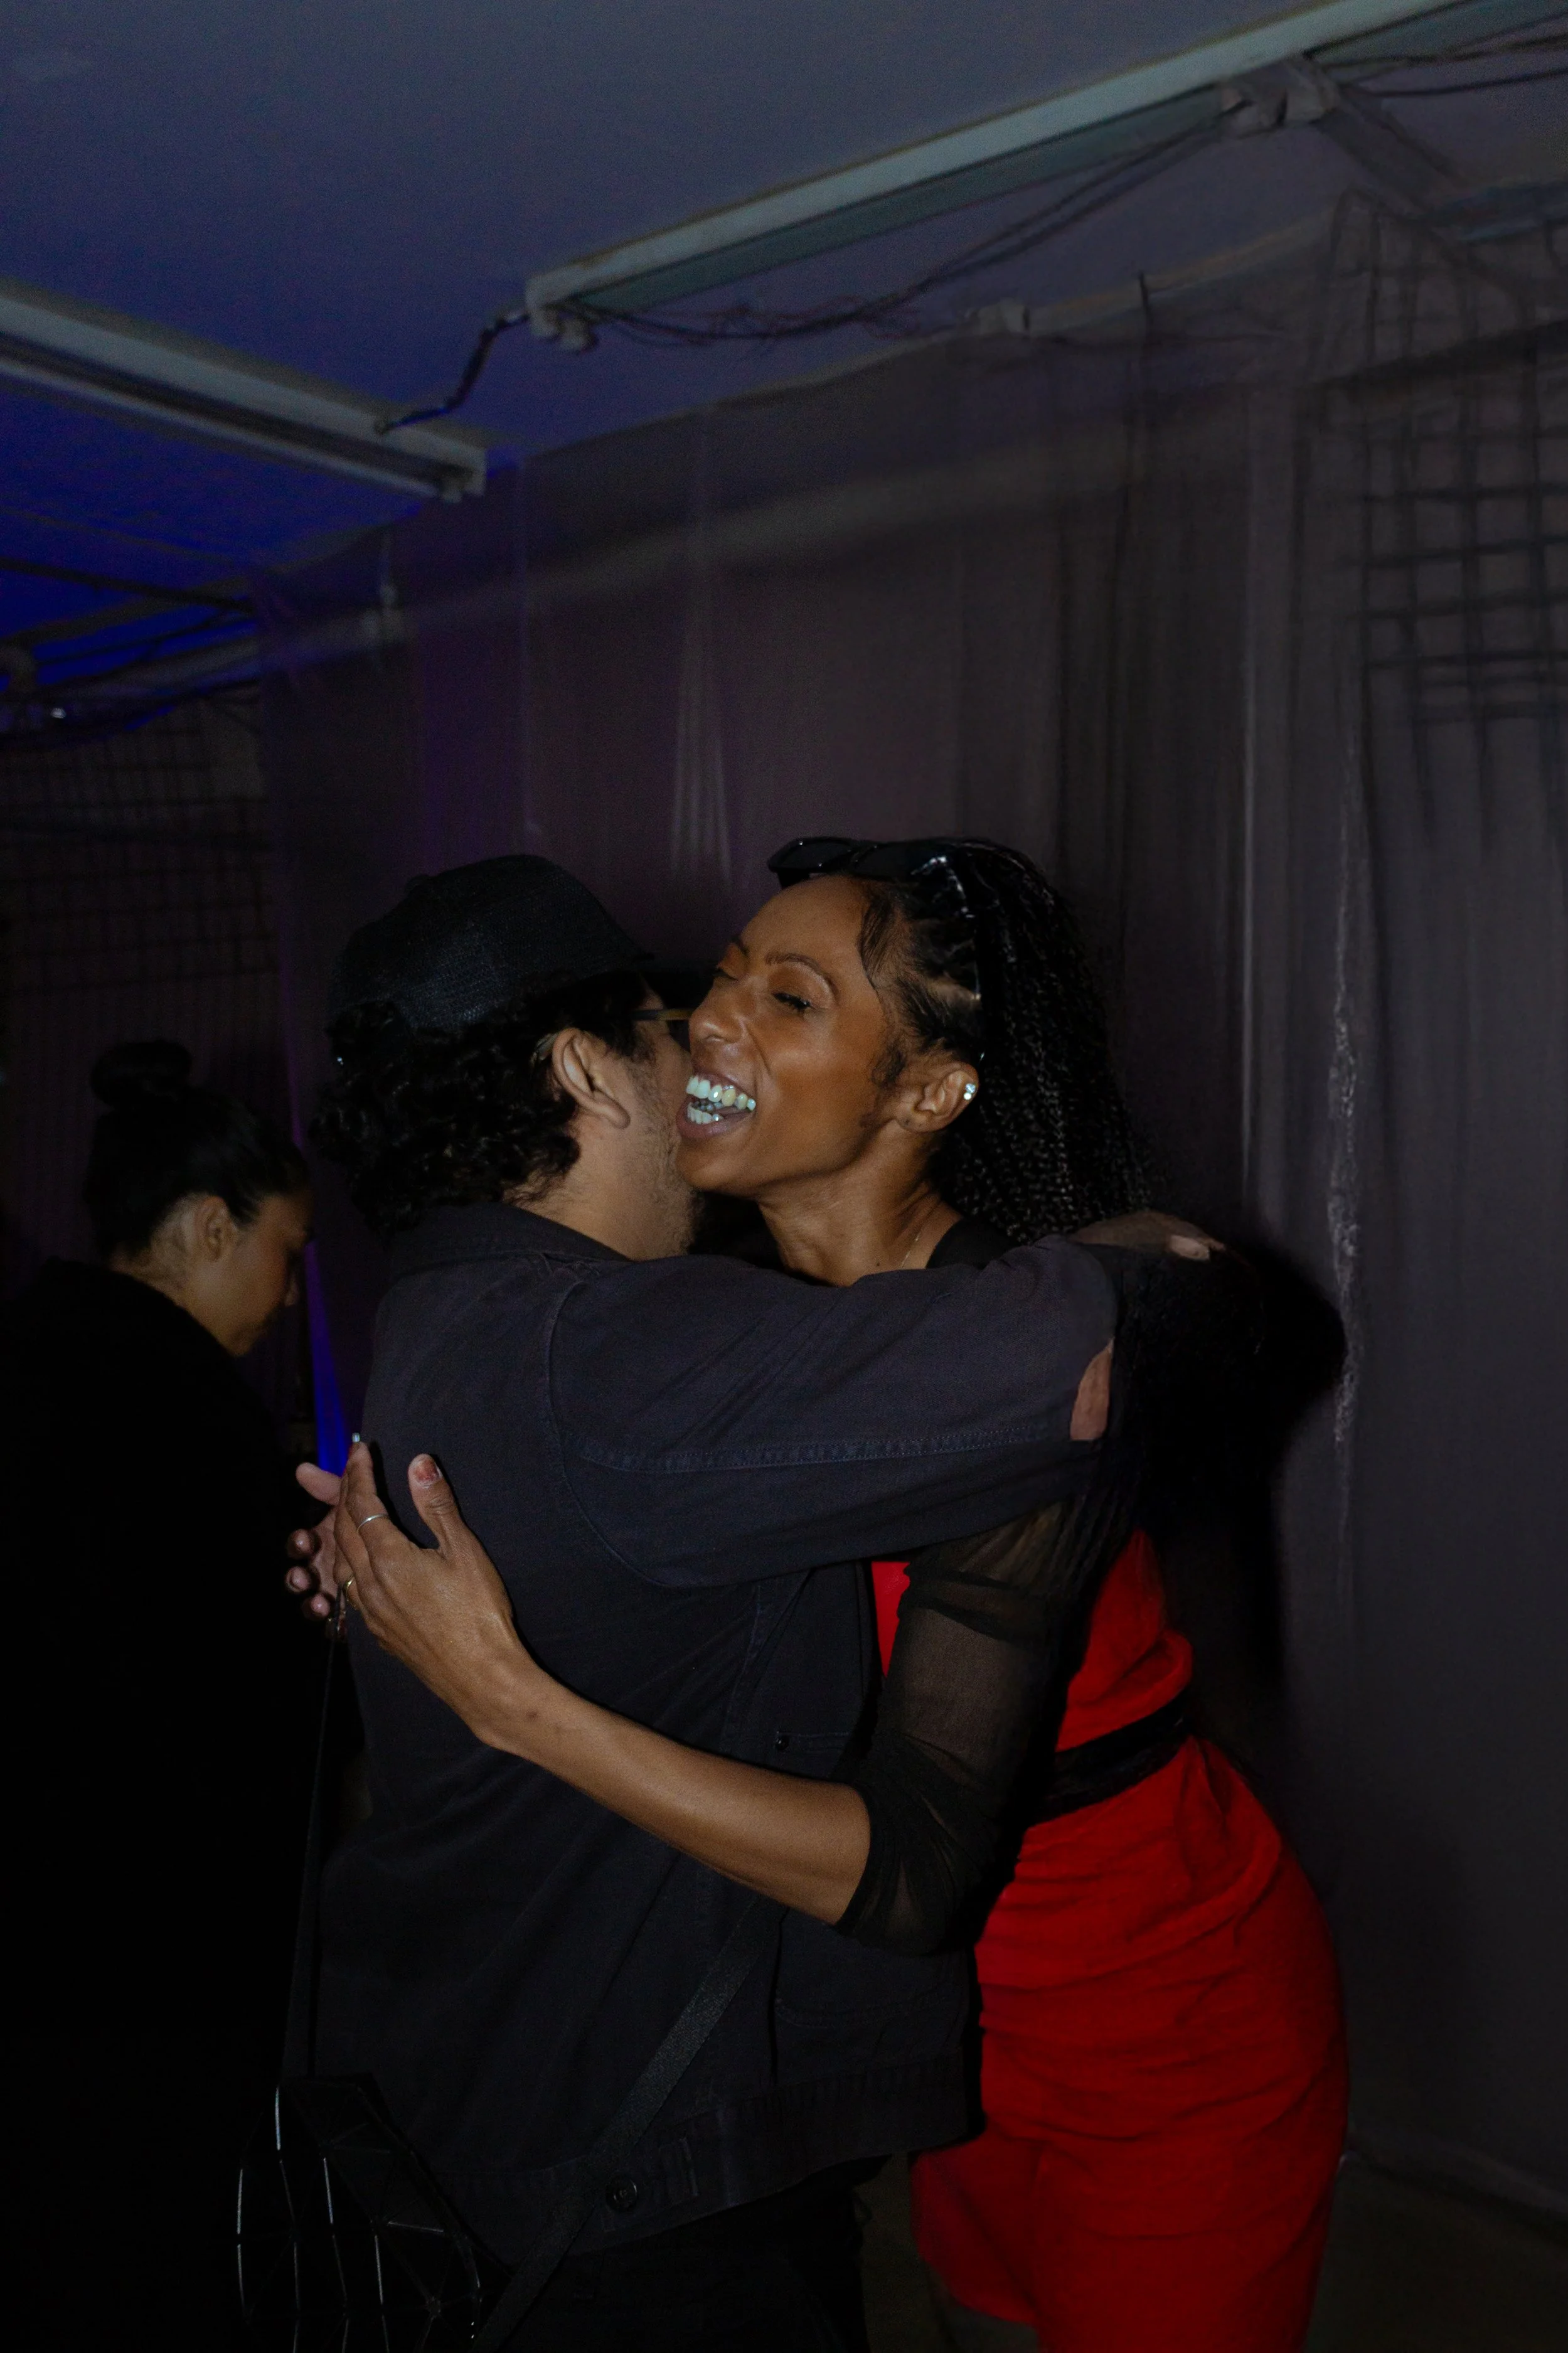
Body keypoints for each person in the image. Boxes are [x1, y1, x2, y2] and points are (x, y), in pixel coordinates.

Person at [323, 840, 1348, 2353]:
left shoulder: (976, 1388)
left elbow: (919, 1851)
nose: (713, 1020)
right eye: (720, 981)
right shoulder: (710, 1335)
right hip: (936, 2036)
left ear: (925, 1093)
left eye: (786, 999)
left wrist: (508, 1697)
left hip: (1144, 2010)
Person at [3, 1040, 317, 2350]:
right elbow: (245, 1709)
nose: (290, 1296)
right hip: (151, 1962)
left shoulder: (35, 1359)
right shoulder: (183, 1418)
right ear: (207, 1228)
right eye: (284, 1254)